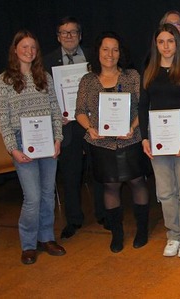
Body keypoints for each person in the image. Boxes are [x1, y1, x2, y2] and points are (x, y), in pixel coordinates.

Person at [75, 31, 149, 253]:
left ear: (121, 53)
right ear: (97, 52)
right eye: (105, 49)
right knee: (110, 186)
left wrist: (132, 127)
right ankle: (117, 234)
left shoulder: (133, 76)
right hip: (101, 145)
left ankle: (142, 230)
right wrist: (90, 128)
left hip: (131, 141)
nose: (110, 54)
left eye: (115, 49)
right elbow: (79, 111)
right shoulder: (87, 81)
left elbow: (142, 108)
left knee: (137, 182)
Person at [0, 30, 65, 265]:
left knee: (47, 194)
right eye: (24, 47)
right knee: (33, 197)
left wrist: (58, 139)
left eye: (33, 47)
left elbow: (56, 111)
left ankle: (46, 237)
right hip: (22, 143)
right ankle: (28, 244)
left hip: (47, 142)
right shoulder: (4, 80)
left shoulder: (44, 77)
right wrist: (12, 149)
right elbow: (3, 119)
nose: (29, 51)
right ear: (15, 50)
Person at [138, 24, 180, 259]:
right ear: (156, 45)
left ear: (178, 43)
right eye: (161, 41)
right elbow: (143, 107)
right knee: (165, 192)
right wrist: (144, 137)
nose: (166, 46)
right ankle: (173, 235)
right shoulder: (149, 72)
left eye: (170, 41)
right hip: (158, 136)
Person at [43, 16, 106, 239]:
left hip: (92, 123)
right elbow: (46, 95)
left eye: (73, 32)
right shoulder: (48, 61)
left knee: (99, 171)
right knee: (70, 175)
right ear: (58, 36)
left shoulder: (93, 56)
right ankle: (74, 220)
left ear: (80, 35)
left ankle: (103, 214)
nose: (69, 36)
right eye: (64, 32)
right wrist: (56, 114)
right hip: (67, 126)